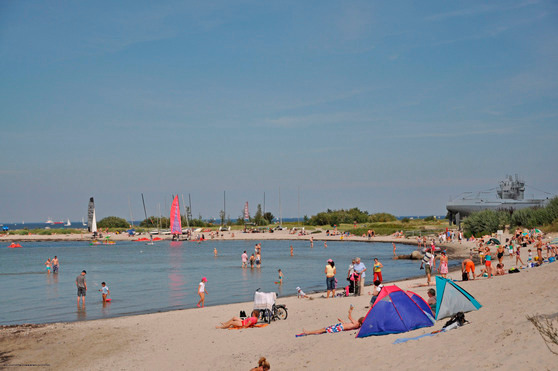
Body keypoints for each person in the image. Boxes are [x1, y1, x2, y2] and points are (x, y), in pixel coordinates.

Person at [299, 306, 364, 335]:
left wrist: (350, 311)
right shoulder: (357, 325)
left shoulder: (356, 323)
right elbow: (348, 325)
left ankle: (308, 332)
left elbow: (349, 317)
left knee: (323, 329)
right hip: (340, 326)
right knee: (324, 329)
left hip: (339, 327)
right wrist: (342, 321)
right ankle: (309, 332)